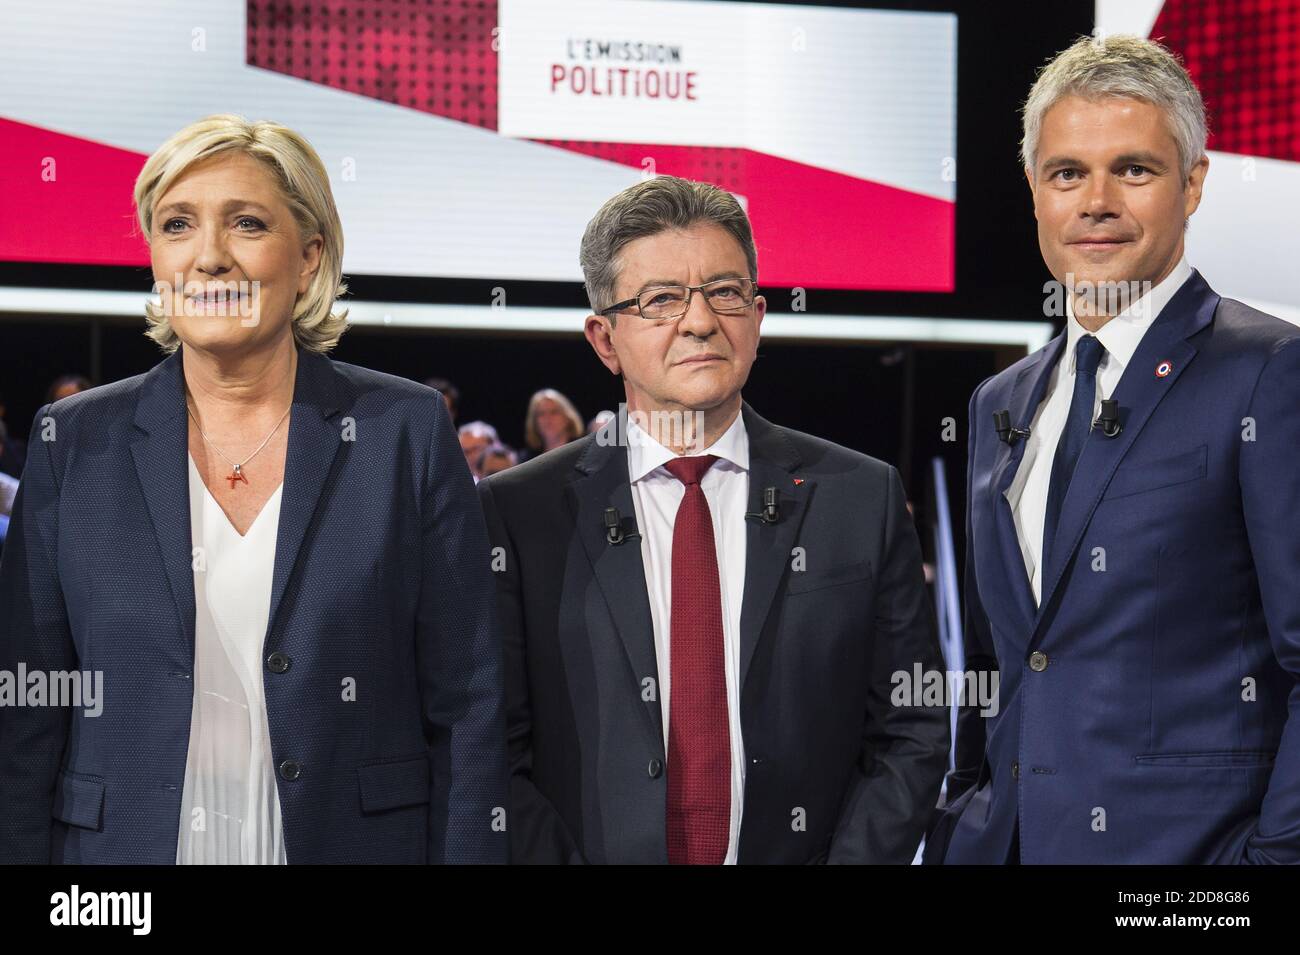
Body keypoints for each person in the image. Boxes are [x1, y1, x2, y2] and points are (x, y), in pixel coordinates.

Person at [0, 114, 508, 864]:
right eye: (177, 225)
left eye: (245, 223)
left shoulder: (403, 429)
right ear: (155, 257)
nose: (209, 257)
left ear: (308, 257)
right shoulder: (71, 441)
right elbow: (28, 715)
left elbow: (468, 704)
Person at [479, 175, 948, 864]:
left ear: (758, 318)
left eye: (724, 293)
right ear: (604, 339)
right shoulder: (519, 513)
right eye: (662, 299)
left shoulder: (860, 496)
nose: (700, 321)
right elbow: (490, 750)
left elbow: (913, 728)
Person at [928, 35, 1300, 864]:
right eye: (1067, 173)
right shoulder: (1001, 401)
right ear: (1034, 190)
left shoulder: (1270, 371)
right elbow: (996, 662)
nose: (1095, 202)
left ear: (1193, 184)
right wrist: (963, 819)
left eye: (1132, 169)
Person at [520, 389, 584, 461]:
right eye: (541, 413)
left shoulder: (584, 452)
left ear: (567, 417)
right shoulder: (526, 460)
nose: (547, 418)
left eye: (553, 412)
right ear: (534, 422)